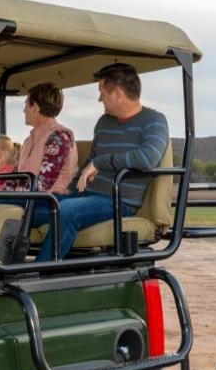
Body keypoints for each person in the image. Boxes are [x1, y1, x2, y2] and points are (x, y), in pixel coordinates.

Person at [30, 63, 169, 261]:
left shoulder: (154, 121)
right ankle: (0, 269)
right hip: (85, 195)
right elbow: (89, 162)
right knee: (25, 205)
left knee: (67, 211)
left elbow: (147, 158)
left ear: (118, 93)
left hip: (117, 201)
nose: (99, 98)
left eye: (102, 92)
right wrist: (68, 189)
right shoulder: (104, 122)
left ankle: (36, 274)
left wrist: (101, 162)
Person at [15, 82, 78, 194]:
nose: (23, 110)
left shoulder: (59, 136)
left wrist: (8, 197)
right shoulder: (28, 141)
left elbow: (44, 184)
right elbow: (14, 178)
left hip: (49, 201)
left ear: (35, 108)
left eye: (26, 104)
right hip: (25, 198)